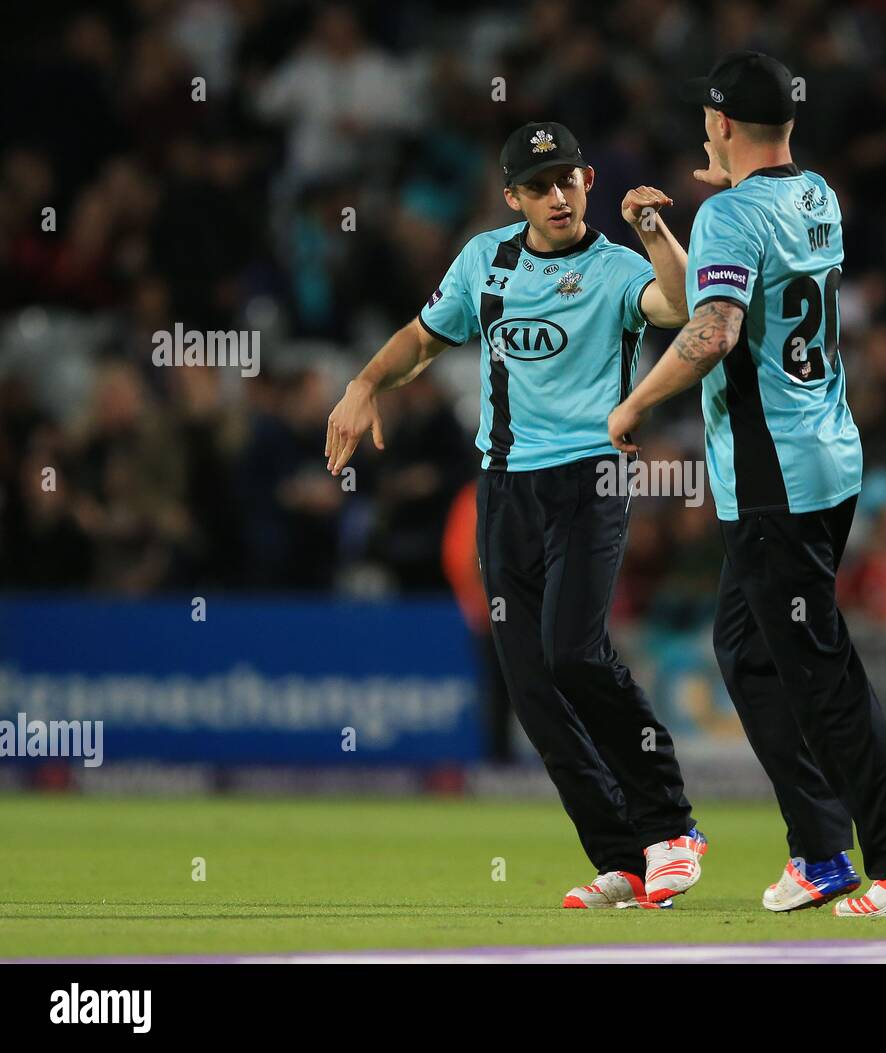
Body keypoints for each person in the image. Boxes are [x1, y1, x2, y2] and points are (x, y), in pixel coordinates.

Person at [608, 54, 886, 917]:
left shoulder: (734, 211)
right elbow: (731, 294)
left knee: (818, 671)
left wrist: (636, 405)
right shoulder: (817, 196)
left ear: (723, 126)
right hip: (828, 461)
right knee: (747, 649)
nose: (702, 128)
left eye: (708, 117)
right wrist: (664, 236)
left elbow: (717, 327)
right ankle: (819, 849)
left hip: (777, 479)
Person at [327, 121, 706, 909]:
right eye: (539, 186)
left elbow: (680, 304)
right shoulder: (484, 261)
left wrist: (653, 226)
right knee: (531, 686)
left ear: (589, 181)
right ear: (513, 197)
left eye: (568, 179)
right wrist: (365, 383)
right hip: (504, 489)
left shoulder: (614, 267)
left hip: (591, 477)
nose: (557, 195)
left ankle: (672, 826)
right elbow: (425, 338)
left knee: (572, 651)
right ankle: (625, 859)